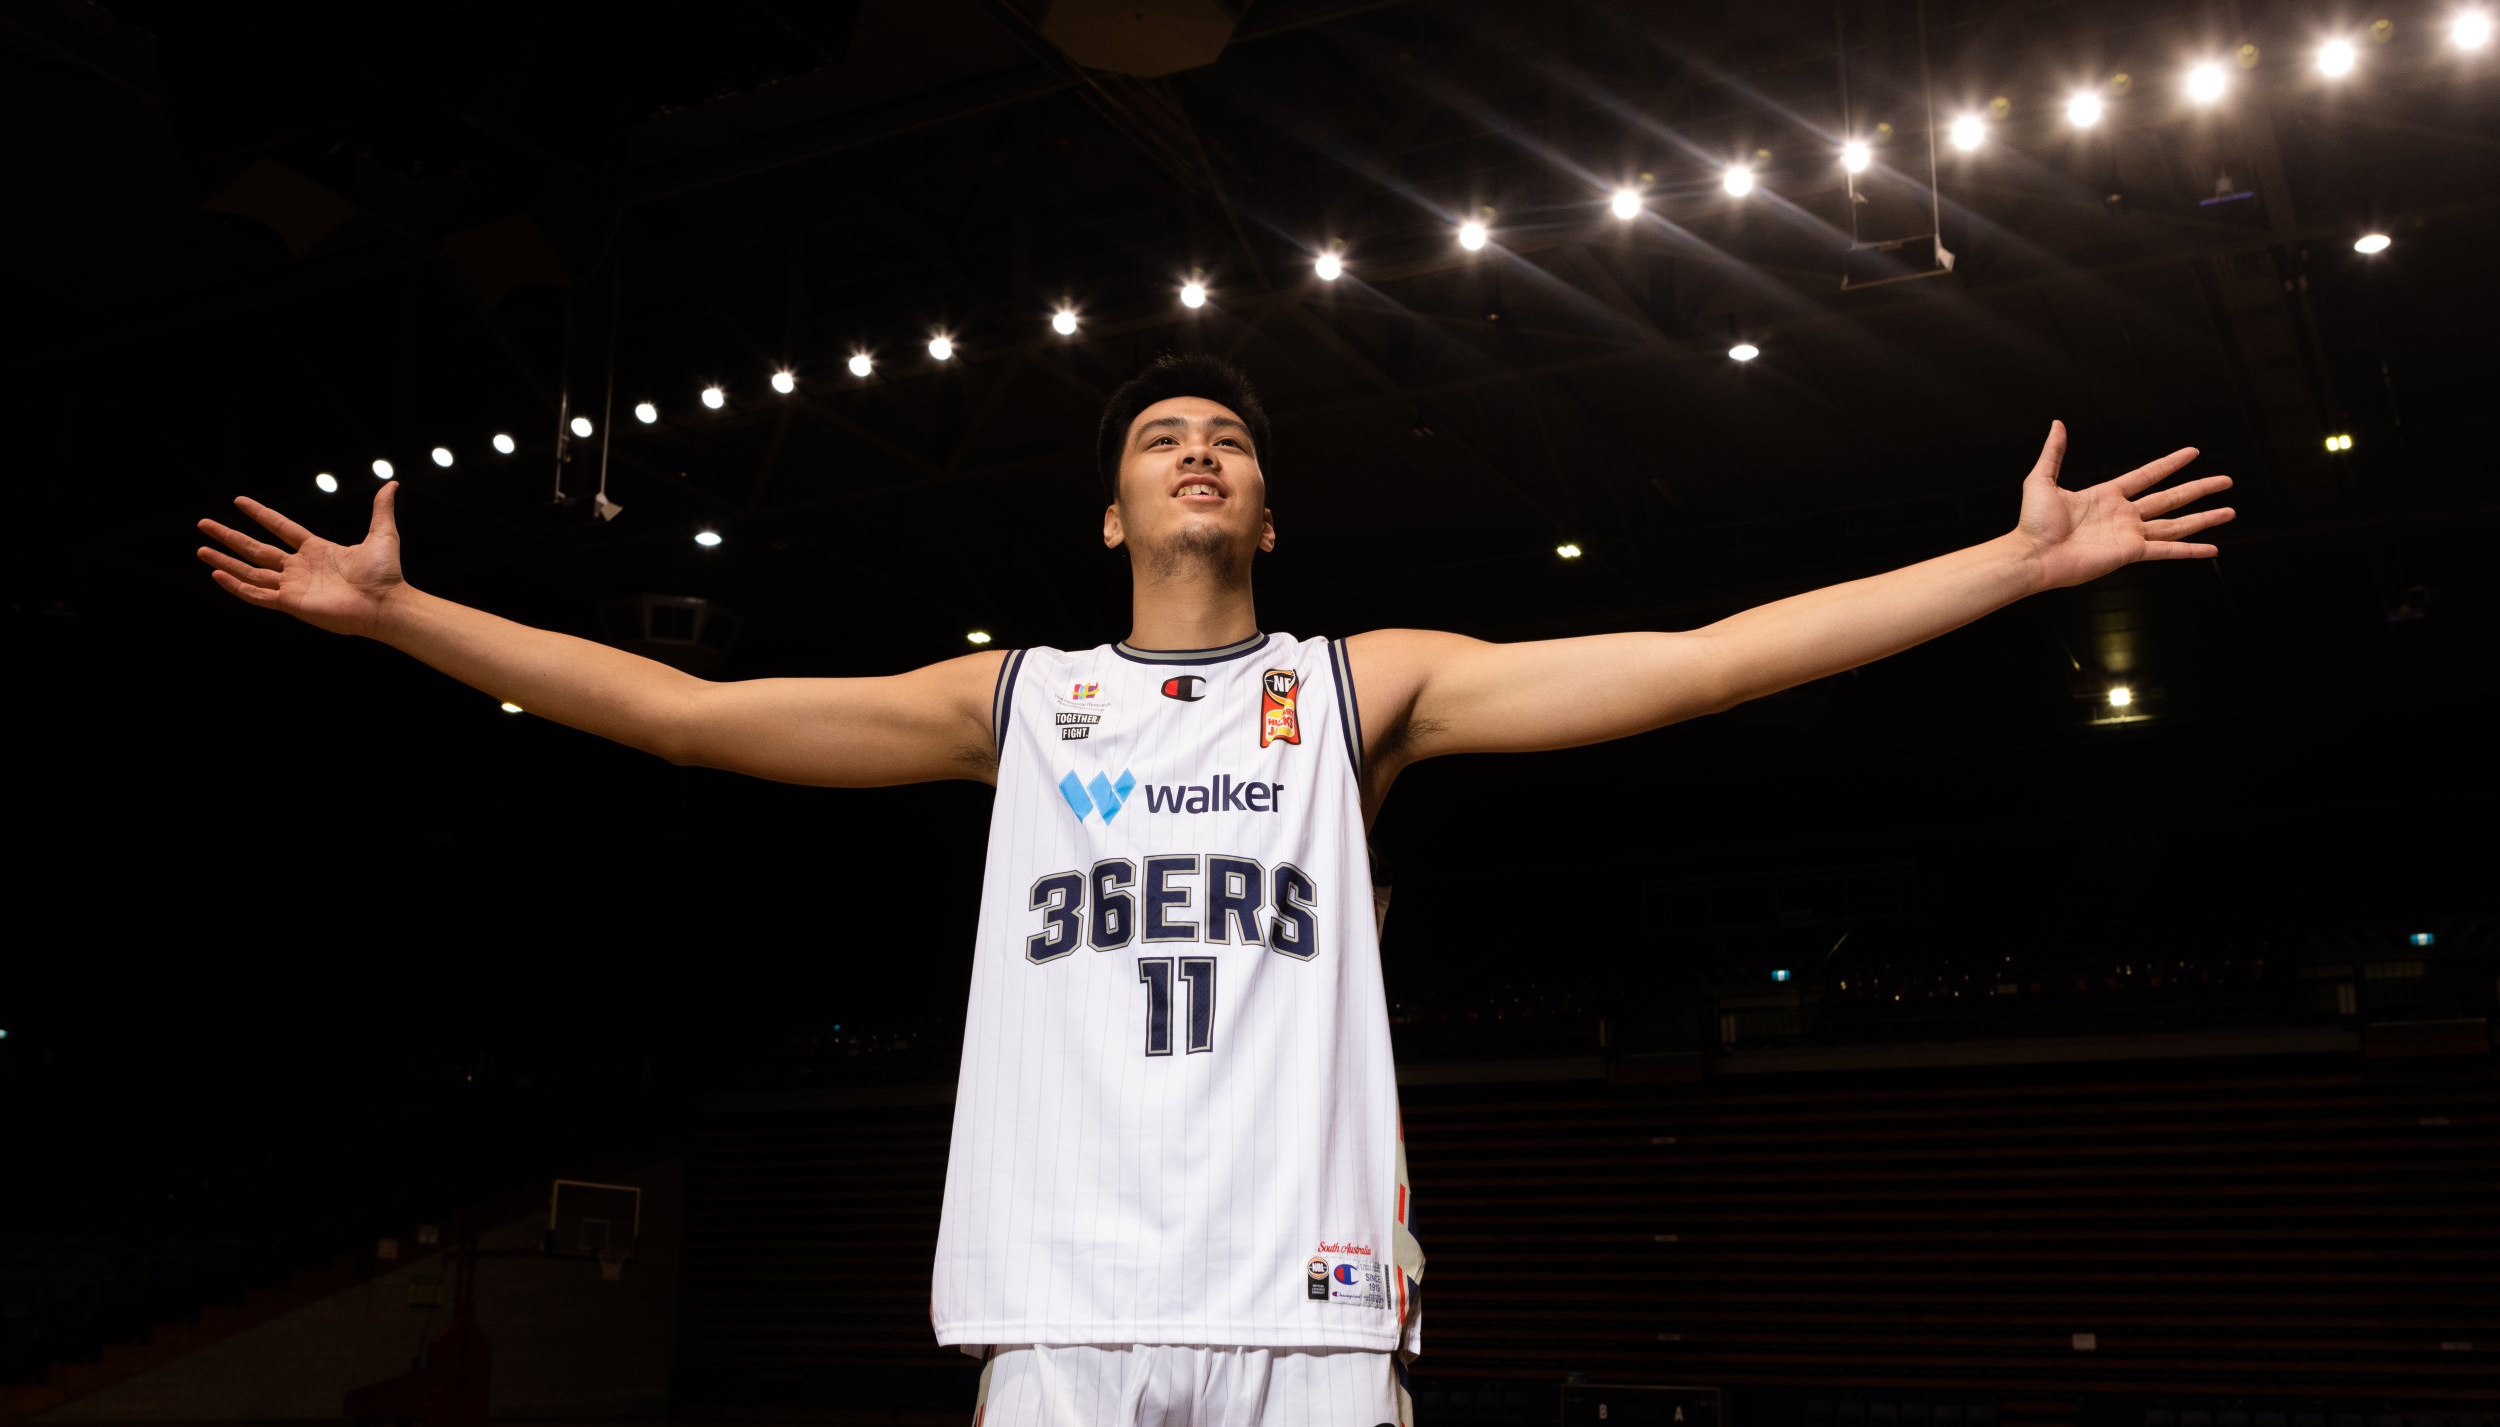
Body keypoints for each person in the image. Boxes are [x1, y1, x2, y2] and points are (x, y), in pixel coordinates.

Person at [196, 353, 2233, 1426]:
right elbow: (689, 719)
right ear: (1106, 508)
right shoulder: (1019, 702)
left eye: (1227, 438)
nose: (1194, 451)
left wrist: (2010, 567)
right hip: (1061, 1309)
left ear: (1267, 503)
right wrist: (406, 625)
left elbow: (1700, 659)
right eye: (1160, 436)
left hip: (1312, 1309)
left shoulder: (1361, 691)